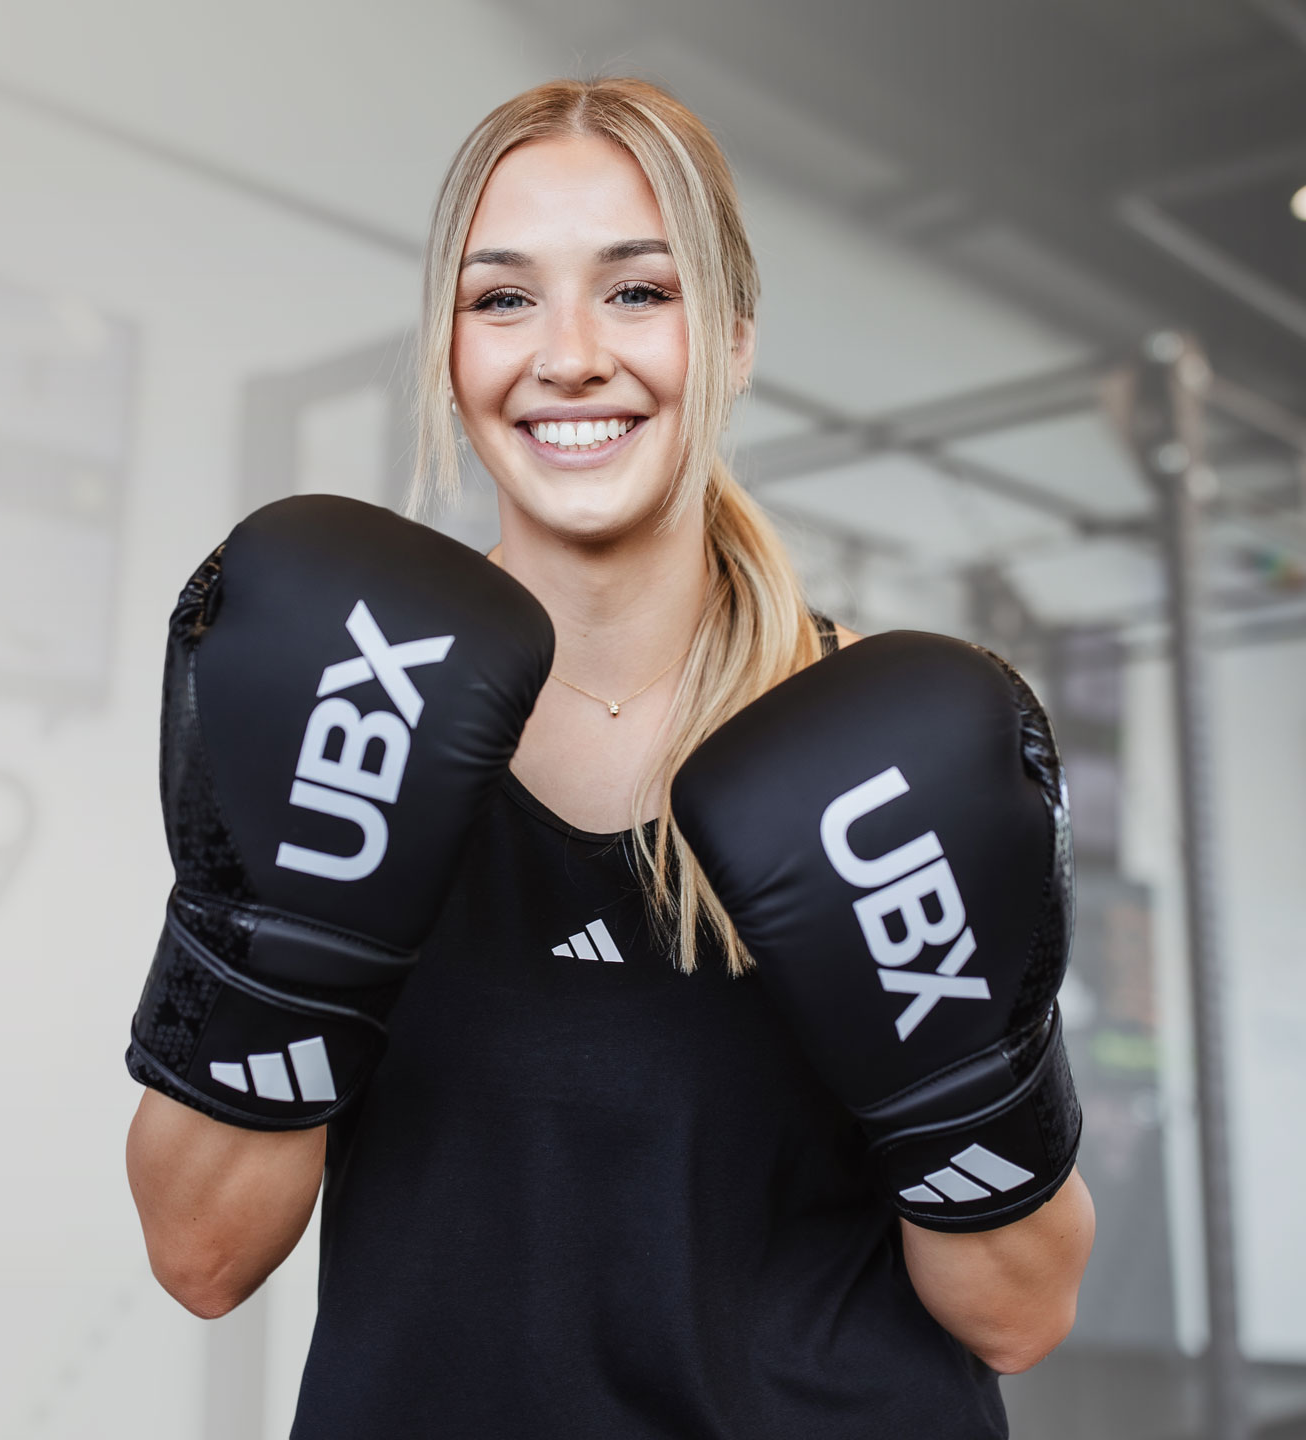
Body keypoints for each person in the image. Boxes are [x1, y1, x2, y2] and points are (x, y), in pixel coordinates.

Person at [120, 78, 1094, 1435]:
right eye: (503, 298)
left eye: (638, 291)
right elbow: (202, 1256)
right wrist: (274, 948)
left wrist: (964, 1087)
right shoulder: (362, 702)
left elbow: (1020, 1312)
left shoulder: (878, 752)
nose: (569, 356)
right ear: (447, 349)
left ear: (734, 336)